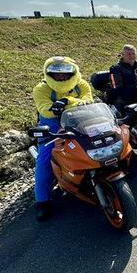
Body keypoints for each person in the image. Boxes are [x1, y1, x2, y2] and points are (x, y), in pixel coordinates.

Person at [32, 56, 93, 221]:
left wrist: (66, 100)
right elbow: (45, 110)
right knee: (45, 159)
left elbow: (88, 100)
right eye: (56, 74)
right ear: (48, 74)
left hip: (80, 119)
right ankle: (42, 201)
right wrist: (74, 102)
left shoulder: (81, 84)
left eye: (65, 74)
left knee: (101, 140)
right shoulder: (41, 88)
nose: (61, 77)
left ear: (73, 73)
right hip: (52, 125)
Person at [107, 45, 137, 113]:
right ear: (123, 55)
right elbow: (116, 89)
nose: (131, 56)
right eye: (129, 54)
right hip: (125, 98)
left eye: (133, 53)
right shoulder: (115, 69)